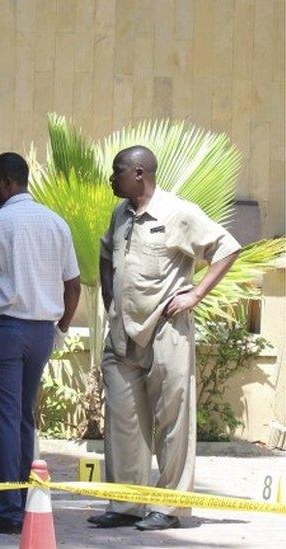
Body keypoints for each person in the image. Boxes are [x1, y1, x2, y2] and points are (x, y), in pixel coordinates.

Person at [87, 146, 241, 531]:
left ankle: (169, 507)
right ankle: (125, 504)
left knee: (172, 419)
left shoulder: (178, 212)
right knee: (123, 420)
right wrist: (110, 297)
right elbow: (106, 254)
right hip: (122, 334)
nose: (111, 177)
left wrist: (195, 294)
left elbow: (226, 248)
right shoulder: (120, 214)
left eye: (117, 171)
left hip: (166, 331)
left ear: (140, 173)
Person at [0, 153, 81, 534]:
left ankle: (9, 509)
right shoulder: (55, 222)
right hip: (41, 332)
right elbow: (73, 284)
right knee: (24, 418)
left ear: (8, 183)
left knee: (4, 419)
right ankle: (29, 502)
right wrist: (60, 328)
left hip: (6, 331)